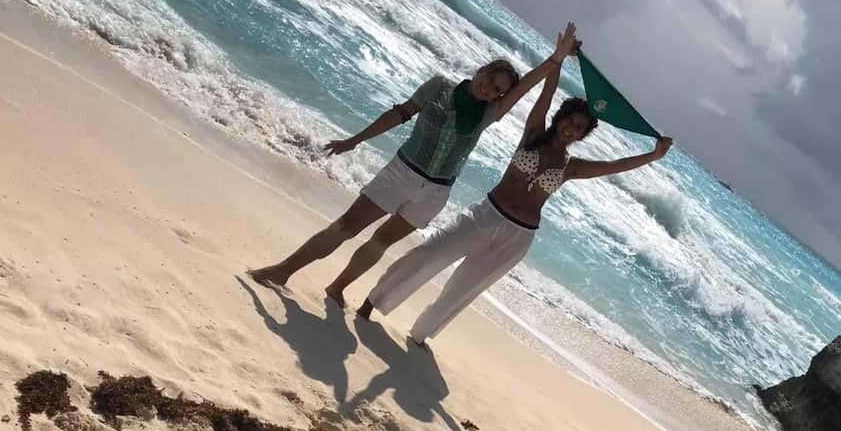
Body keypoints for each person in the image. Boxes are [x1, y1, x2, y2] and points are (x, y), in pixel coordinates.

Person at [248, 24, 581, 306]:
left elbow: (525, 88)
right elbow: (400, 113)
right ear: (482, 70)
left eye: (497, 91)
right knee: (346, 228)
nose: (490, 90)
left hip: (436, 192)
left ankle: (338, 288)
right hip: (402, 173)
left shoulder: (487, 114)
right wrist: (356, 139)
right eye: (490, 80)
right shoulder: (440, 86)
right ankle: (282, 271)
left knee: (382, 241)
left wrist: (556, 59)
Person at [356, 55, 673, 345]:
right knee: (429, 254)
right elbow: (545, 99)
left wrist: (653, 156)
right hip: (486, 215)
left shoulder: (571, 166)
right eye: (570, 121)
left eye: (579, 129)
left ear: (582, 135)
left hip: (518, 237)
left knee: (463, 289)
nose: (571, 129)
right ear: (559, 118)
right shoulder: (533, 134)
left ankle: (420, 336)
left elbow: (614, 167)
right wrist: (559, 60)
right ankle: (374, 300)